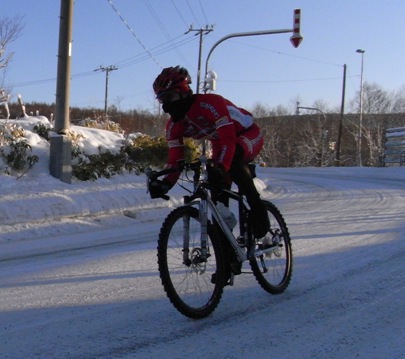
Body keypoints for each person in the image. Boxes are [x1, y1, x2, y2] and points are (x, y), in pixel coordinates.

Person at [149, 65, 269, 239]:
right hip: (220, 142)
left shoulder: (210, 103)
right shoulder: (174, 126)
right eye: (162, 100)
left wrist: (222, 167)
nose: (166, 106)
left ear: (183, 92)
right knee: (217, 191)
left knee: (231, 161)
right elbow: (176, 160)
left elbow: (229, 140)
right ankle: (228, 254)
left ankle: (258, 208)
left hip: (247, 134)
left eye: (169, 97)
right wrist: (165, 183)